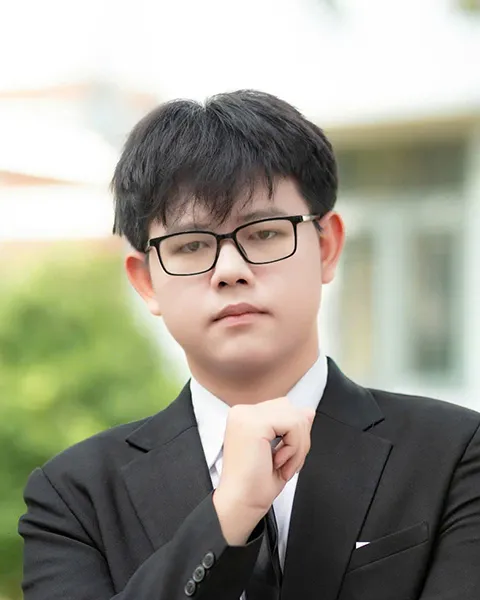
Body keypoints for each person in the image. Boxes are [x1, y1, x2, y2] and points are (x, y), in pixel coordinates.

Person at [18, 90, 480, 600]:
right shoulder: (72, 499)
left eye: (263, 233)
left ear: (327, 247)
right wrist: (229, 513)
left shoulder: (455, 455)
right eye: (191, 245)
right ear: (146, 282)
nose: (230, 271)